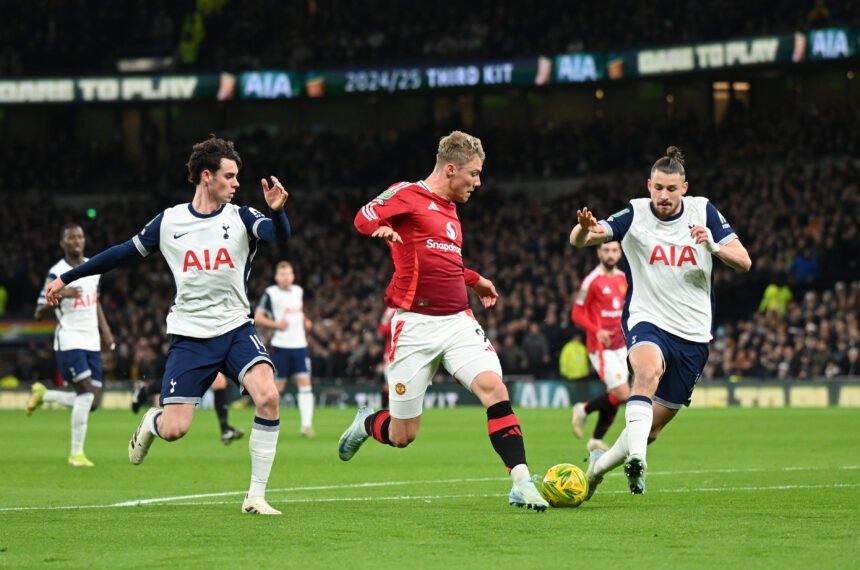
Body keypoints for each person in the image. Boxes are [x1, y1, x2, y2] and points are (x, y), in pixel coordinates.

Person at [43, 136, 290, 515]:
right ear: (207, 177)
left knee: (268, 396)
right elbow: (121, 253)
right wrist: (69, 277)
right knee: (175, 429)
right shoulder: (171, 221)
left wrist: (278, 212)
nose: (237, 183)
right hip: (190, 337)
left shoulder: (241, 216)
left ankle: (255, 496)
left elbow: (280, 240)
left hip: (236, 328)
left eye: (237, 176)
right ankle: (151, 422)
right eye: (230, 176)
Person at [336, 130, 548, 512]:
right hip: (415, 326)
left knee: (494, 389)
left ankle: (521, 482)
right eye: (474, 174)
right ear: (451, 169)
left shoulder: (451, 210)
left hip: (458, 322)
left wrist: (475, 278)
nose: (478, 183)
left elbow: (443, 260)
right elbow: (363, 215)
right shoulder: (407, 193)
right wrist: (378, 227)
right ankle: (368, 423)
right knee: (403, 435)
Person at [569, 146, 751, 496]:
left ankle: (598, 469)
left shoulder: (703, 210)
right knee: (647, 371)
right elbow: (583, 239)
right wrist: (582, 231)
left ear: (684, 188)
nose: (663, 196)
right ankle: (638, 461)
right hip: (647, 320)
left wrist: (713, 247)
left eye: (671, 189)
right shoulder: (635, 212)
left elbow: (744, 261)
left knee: (650, 429)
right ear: (648, 185)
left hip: (694, 333)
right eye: (657, 188)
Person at [27, 223, 114, 467]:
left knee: (93, 402)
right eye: (71, 237)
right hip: (70, 340)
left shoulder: (93, 267)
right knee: (85, 394)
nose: (76, 240)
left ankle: (45, 395)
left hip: (91, 340)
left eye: (80, 236)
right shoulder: (56, 273)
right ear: (63, 243)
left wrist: (105, 331)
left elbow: (94, 301)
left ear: (84, 240)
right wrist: (61, 294)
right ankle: (76, 454)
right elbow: (38, 313)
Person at [570, 241, 630, 453]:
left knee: (616, 396)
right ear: (598, 253)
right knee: (623, 394)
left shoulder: (623, 278)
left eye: (614, 250)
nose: (611, 254)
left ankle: (596, 440)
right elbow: (576, 314)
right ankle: (583, 409)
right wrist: (597, 330)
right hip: (601, 348)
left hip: (621, 346)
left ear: (620, 252)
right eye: (606, 250)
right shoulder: (591, 281)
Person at [254, 261, 315, 437]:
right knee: (277, 388)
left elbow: (299, 310)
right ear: (276, 277)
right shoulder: (271, 293)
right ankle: (269, 422)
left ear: (293, 276)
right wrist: (276, 325)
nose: (286, 277)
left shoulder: (298, 291)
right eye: (282, 274)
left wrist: (305, 320)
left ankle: (306, 425)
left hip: (300, 345)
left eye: (289, 274)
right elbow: (258, 317)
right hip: (281, 345)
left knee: (305, 383)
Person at [131, 372, 245, 445]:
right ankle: (145, 391)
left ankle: (225, 429)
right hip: (190, 341)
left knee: (219, 381)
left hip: (209, 342)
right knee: (180, 380)